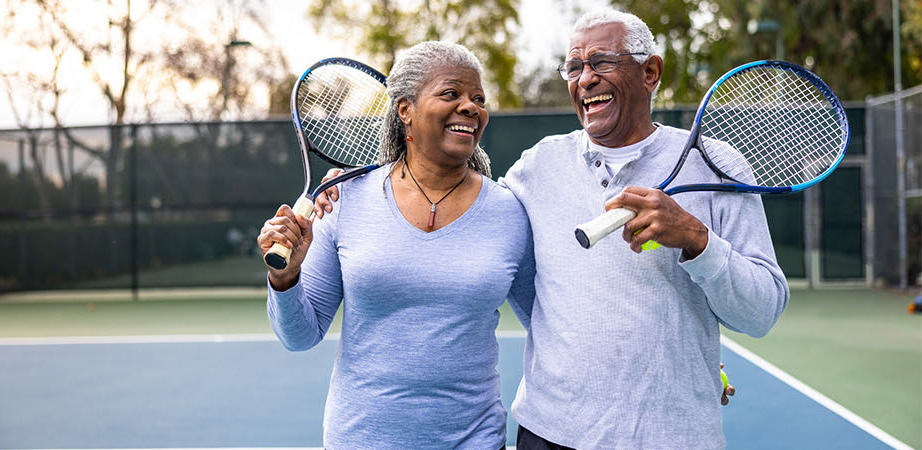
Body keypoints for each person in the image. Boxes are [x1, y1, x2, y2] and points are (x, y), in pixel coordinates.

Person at [313, 9, 786, 449]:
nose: (586, 78)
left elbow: (761, 311)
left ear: (649, 72)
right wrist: (360, 183)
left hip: (672, 433)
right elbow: (448, 193)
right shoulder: (536, 170)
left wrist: (696, 240)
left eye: (601, 61)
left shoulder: (717, 165)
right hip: (550, 434)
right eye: (574, 67)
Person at [259, 41, 533, 450]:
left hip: (474, 441)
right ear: (405, 110)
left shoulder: (509, 210)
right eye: (451, 93)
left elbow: (547, 325)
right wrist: (285, 276)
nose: (471, 107)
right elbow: (300, 335)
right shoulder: (345, 198)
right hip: (360, 439)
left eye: (479, 98)